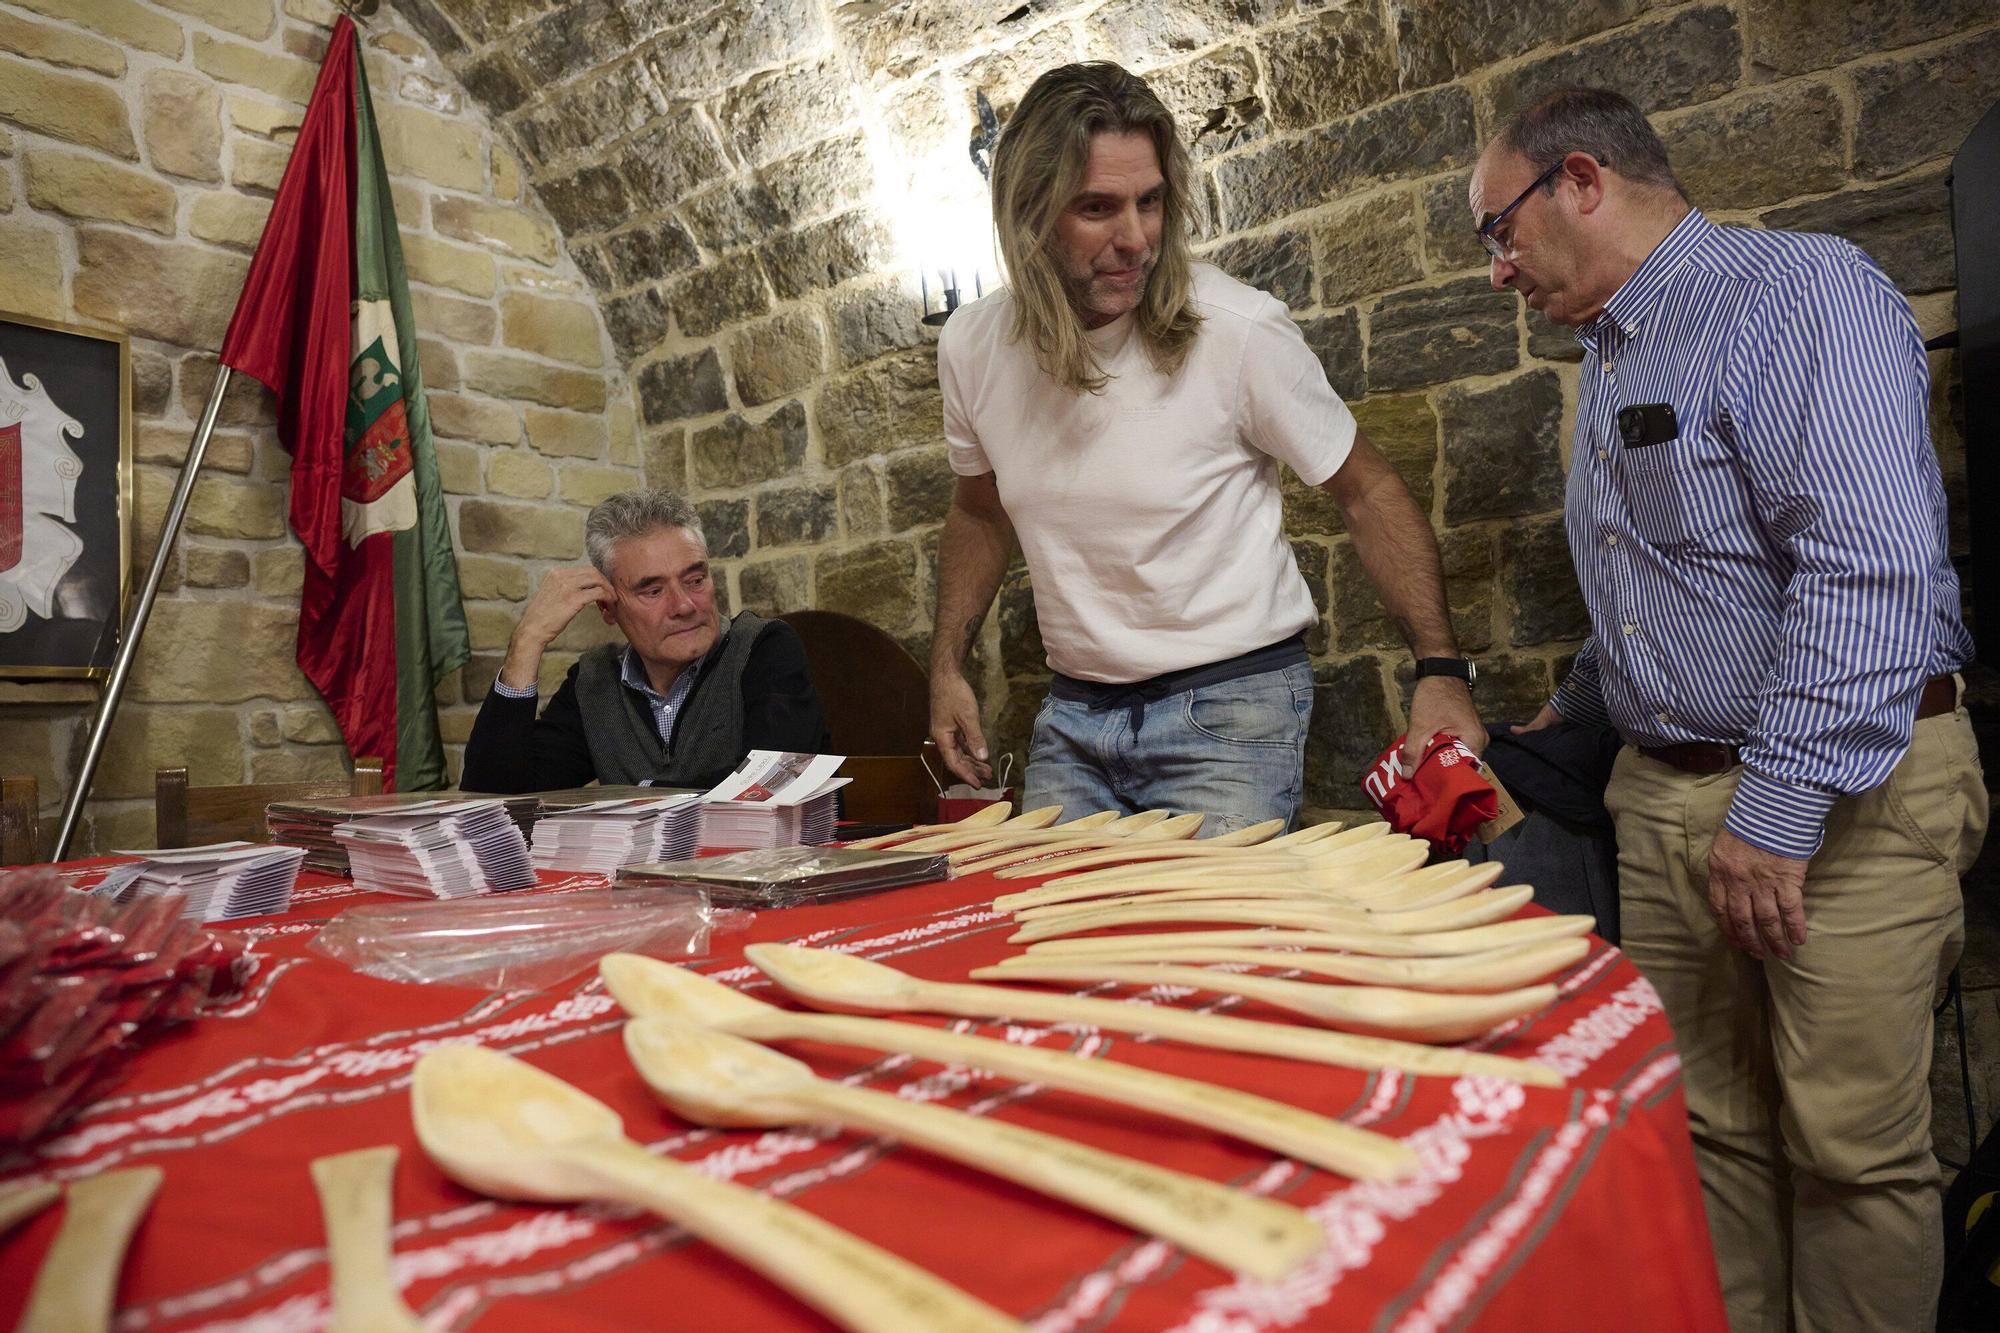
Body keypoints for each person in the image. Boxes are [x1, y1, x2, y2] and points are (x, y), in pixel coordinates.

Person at [1470, 87, 1985, 1331]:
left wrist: (1775, 810)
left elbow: (1863, 573)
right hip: (1666, 797)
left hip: (1838, 794)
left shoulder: (1798, 295)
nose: (1496, 269)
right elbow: (1672, 572)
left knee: (1849, 1153)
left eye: (1498, 230)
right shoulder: (1614, 348)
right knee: (1713, 1134)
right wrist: (1579, 703)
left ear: (1578, 180)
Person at [929, 61, 1484, 834]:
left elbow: (1368, 490)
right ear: (1028, 213)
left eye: (1150, 202)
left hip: (1229, 708)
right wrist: (946, 666)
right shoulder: (970, 344)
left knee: (1215, 921)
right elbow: (978, 510)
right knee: (1057, 917)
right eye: (1097, 207)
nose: (1135, 239)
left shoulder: (1239, 329)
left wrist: (1441, 670)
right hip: (1074, 715)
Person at [461, 488, 829, 793]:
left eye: (695, 580)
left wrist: (634, 797)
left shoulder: (764, 648)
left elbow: (777, 783)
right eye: (653, 591)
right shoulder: (595, 683)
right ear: (608, 609)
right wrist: (528, 640)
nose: (684, 605)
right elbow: (493, 799)